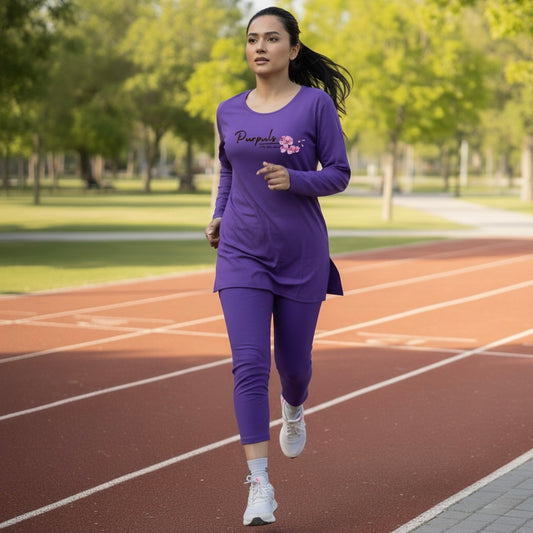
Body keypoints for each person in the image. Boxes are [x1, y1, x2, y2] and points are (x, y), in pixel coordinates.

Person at [204, 6, 352, 527]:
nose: (259, 47)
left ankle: (293, 406)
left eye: (271, 39)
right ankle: (259, 486)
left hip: (299, 254)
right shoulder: (228, 111)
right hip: (241, 253)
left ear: (292, 49)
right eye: (251, 39)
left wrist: (297, 180)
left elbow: (338, 173)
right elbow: (227, 170)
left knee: (293, 367)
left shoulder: (314, 106)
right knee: (248, 364)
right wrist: (219, 215)